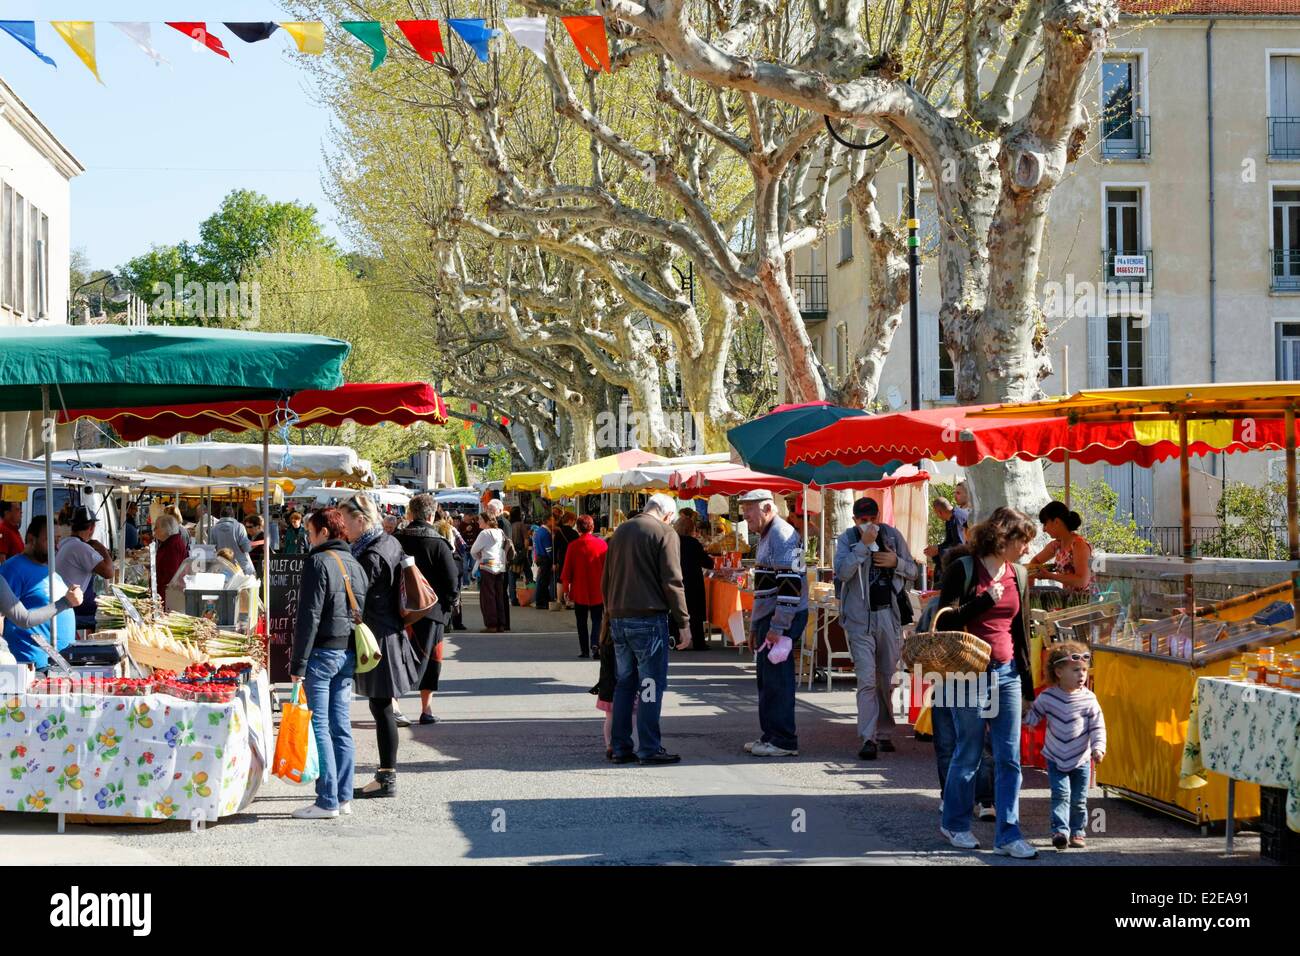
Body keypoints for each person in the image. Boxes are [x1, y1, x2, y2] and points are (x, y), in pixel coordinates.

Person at [935, 506, 1039, 860]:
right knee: (969, 752)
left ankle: (1008, 834)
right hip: (967, 672)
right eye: (1023, 541)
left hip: (1006, 672)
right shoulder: (962, 568)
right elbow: (945, 621)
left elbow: (1021, 632)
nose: (1026, 549)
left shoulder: (1020, 575)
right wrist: (982, 602)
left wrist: (1028, 687)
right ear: (1004, 537)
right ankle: (955, 824)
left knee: (1010, 757)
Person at [286, 508, 368, 820]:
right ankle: (343, 797)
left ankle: (327, 800)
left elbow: (309, 615)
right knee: (340, 725)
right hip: (347, 651)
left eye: (309, 532)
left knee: (320, 725)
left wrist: (298, 662)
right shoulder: (354, 563)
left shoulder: (318, 562)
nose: (307, 538)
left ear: (323, 532)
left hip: (322, 653)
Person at [339, 494, 422, 799]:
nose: (343, 528)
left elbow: (360, 598)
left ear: (361, 520)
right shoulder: (387, 542)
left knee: (382, 706)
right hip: (389, 633)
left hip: (380, 636)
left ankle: (387, 777)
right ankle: (386, 775)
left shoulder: (371, 554)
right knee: (382, 706)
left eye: (346, 521)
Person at [603, 492, 691, 765]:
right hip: (648, 619)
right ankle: (649, 747)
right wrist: (684, 623)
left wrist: (607, 618)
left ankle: (620, 747)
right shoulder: (665, 532)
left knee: (624, 683)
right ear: (666, 514)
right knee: (650, 684)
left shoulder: (620, 532)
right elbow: (672, 580)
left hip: (618, 617)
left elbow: (606, 578)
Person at [833, 496, 920, 760]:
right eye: (863, 520)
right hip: (859, 620)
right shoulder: (847, 540)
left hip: (887, 617)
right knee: (867, 680)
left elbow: (914, 571)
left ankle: (884, 732)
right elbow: (842, 572)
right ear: (854, 520)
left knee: (886, 678)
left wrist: (897, 563)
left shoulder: (893, 536)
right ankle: (868, 738)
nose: (869, 524)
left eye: (873, 518)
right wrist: (863, 546)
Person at [926, 545, 996, 822]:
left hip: (946, 676)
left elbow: (924, 636)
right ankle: (986, 800)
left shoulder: (937, 605)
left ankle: (950, 797)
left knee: (948, 742)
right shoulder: (989, 599)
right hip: (981, 672)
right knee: (980, 740)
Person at [739, 489, 809, 758]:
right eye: (744, 508)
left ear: (767, 508)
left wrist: (778, 627)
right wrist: (757, 626)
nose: (745, 515)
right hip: (775, 615)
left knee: (776, 680)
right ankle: (771, 735)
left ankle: (782, 739)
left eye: (750, 509)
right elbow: (767, 588)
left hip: (784, 616)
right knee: (767, 679)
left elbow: (791, 586)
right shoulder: (769, 534)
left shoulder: (782, 534)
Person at [1025, 640, 1106, 850]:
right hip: (1055, 756)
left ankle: (1078, 831)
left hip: (1082, 758)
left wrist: (1098, 747)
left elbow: (1098, 726)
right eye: (1075, 670)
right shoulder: (1048, 697)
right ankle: (1060, 831)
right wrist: (1027, 717)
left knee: (1079, 799)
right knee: (1061, 794)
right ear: (1059, 671)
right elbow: (1034, 714)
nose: (1082, 675)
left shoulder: (1089, 699)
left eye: (1084, 670)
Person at [397, 494, 460, 725]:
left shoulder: (396, 540)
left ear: (410, 514)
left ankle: (394, 706)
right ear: (432, 515)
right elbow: (452, 581)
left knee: (399, 658)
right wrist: (449, 604)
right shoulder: (439, 544)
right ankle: (427, 709)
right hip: (432, 612)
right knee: (431, 661)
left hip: (400, 611)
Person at [0, 517, 77, 668]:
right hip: (33, 665)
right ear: (31, 539)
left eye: (58, 540)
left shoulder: (47, 569)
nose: (56, 547)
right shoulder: (13, 569)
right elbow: (9, 617)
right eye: (50, 540)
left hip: (59, 664)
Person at [55, 507, 114, 631]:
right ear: (91, 528)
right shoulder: (80, 547)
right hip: (73, 605)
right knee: (111, 617)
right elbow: (109, 573)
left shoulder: (65, 542)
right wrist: (102, 548)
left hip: (64, 600)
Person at [561, 515, 608, 659]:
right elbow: (608, 568)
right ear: (593, 527)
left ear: (578, 527)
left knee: (581, 621)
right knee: (597, 619)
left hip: (579, 589)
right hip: (598, 589)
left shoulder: (573, 546)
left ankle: (584, 650)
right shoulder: (602, 545)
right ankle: (596, 644)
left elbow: (567, 571)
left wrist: (566, 590)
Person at [1029, 501, 1096, 600]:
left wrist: (1050, 576)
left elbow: (1082, 581)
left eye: (1045, 524)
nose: (1044, 529)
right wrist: (1030, 592)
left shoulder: (1079, 544)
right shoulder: (1056, 545)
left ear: (1056, 522)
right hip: (1068, 600)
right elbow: (1035, 562)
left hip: (1085, 602)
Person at [675, 510, 714, 651]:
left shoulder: (672, 541)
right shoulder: (694, 543)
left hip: (676, 580)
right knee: (695, 613)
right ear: (691, 529)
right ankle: (698, 642)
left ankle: (675, 640)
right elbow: (708, 563)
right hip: (693, 581)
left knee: (677, 611)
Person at [470, 512, 510, 632]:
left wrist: (479, 557)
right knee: (499, 595)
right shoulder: (500, 531)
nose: (478, 521)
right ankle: (501, 624)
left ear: (487, 521)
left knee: (488, 597)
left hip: (487, 566)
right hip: (500, 565)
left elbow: (473, 550)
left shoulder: (484, 533)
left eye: (480, 519)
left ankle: (492, 624)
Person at [924, 496, 969, 587]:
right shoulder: (950, 520)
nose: (937, 516)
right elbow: (949, 542)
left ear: (939, 512)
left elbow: (960, 546)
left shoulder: (957, 518)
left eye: (936, 514)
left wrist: (939, 550)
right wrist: (936, 549)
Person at [152, 514, 190, 606]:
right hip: (165, 595)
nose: (154, 530)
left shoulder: (172, 547)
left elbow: (170, 576)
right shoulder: (170, 543)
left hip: (167, 597)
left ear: (165, 529)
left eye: (156, 527)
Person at [437, 516, 467, 631]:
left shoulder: (434, 531)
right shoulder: (453, 530)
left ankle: (446, 622)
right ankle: (457, 622)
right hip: (454, 562)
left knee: (442, 592)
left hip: (440, 563)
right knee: (456, 592)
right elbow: (463, 546)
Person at [211, 506, 255, 575]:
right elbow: (246, 548)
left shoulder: (213, 529)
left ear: (221, 516)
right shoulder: (239, 527)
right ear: (233, 516)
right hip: (239, 567)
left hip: (222, 566)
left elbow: (211, 549)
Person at [554, 511, 580, 603]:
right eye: (574, 521)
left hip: (561, 558)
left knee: (560, 579)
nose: (574, 524)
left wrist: (554, 562)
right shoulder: (574, 534)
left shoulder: (558, 532)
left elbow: (555, 548)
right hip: (573, 559)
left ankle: (558, 599)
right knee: (571, 578)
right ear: (570, 521)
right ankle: (569, 599)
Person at [532, 514, 555, 610]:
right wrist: (553, 561)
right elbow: (549, 549)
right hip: (545, 558)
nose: (554, 522)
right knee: (543, 582)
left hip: (540, 557)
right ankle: (541, 602)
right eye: (553, 520)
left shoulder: (539, 531)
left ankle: (543, 601)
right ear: (548, 521)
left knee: (542, 581)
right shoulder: (545, 533)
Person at [508, 506, 529, 606]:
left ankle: (513, 598)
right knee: (529, 574)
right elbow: (526, 540)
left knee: (511, 576)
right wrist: (525, 551)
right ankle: (530, 595)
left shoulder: (508, 525)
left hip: (511, 552)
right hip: (520, 551)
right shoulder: (521, 525)